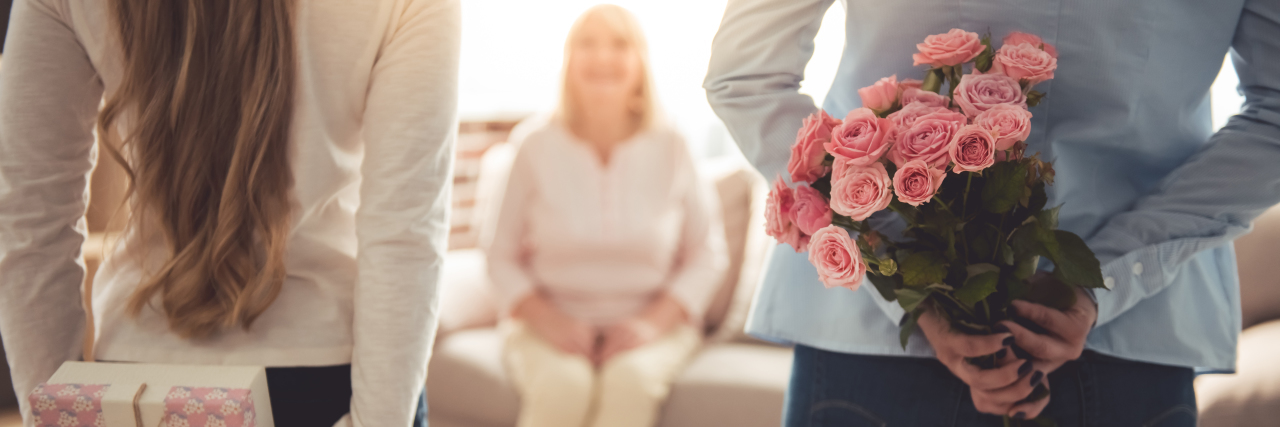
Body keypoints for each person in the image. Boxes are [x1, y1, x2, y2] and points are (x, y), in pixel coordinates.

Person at [705, 0, 1279, 425]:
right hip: (1137, 336)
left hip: (871, 340)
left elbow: (745, 75)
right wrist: (1107, 276)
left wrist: (902, 268)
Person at [0, 0, 459, 426]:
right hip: (329, 378)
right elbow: (405, 233)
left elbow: (27, 216)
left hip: (136, 382)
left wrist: (56, 409)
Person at [485, 5, 728, 427]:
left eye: (619, 44)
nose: (602, 57)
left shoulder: (673, 145)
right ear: (568, 59)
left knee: (629, 383)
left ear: (640, 61)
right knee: (564, 387)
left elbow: (707, 254)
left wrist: (653, 323)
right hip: (547, 322)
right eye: (587, 43)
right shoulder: (533, 145)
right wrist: (548, 319)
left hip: (653, 323)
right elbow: (496, 254)